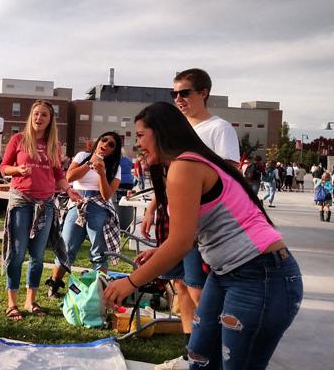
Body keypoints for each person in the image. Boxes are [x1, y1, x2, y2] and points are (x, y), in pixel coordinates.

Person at [104, 102, 302, 370]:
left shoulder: (185, 166)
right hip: (231, 275)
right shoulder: (188, 162)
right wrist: (161, 254)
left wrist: (131, 282)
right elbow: (193, 235)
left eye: (140, 134)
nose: (137, 144)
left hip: (260, 276)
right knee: (200, 358)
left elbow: (180, 242)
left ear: (161, 131)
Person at [144, 68, 240, 370]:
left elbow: (230, 172)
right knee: (182, 285)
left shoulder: (218, 128)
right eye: (174, 94)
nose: (178, 99)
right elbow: (172, 175)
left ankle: (221, 351)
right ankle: (191, 350)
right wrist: (153, 206)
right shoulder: (178, 129)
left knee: (199, 288)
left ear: (203, 93)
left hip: (202, 221)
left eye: (184, 92)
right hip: (174, 214)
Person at [0, 100, 79, 321]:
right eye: (36, 114)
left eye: (44, 115)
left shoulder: (54, 144)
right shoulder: (18, 140)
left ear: (50, 119)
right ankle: (12, 303)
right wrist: (18, 169)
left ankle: (30, 300)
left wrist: (69, 190)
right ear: (31, 116)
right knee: (16, 254)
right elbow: (4, 167)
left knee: (37, 255)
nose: (39, 118)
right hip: (22, 202)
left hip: (45, 204)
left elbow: (58, 175)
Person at [45, 131, 122, 299]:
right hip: (78, 203)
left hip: (99, 206)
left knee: (98, 251)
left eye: (111, 145)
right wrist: (89, 164)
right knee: (67, 246)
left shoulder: (115, 167)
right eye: (104, 140)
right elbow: (69, 176)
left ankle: (98, 292)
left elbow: (107, 195)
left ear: (114, 150)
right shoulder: (83, 156)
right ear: (98, 140)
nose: (106, 145)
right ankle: (54, 284)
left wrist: (102, 173)